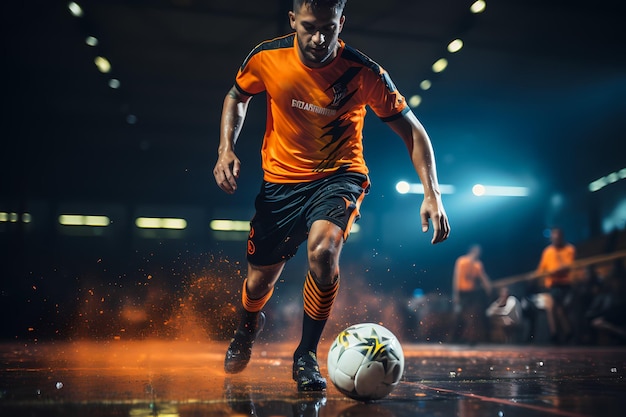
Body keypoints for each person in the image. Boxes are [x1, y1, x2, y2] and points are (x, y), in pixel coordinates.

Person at [213, 0, 450, 392]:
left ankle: (305, 353)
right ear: (292, 21)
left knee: (323, 252)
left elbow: (413, 131)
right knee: (258, 285)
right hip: (280, 184)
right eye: (309, 27)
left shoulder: (364, 72)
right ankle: (248, 325)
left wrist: (432, 193)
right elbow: (237, 96)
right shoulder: (267, 57)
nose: (319, 38)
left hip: (339, 176)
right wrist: (225, 148)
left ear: (342, 22)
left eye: (328, 27)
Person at [536, 227, 576, 344]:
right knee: (553, 307)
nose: (555, 239)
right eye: (553, 237)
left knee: (560, 310)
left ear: (561, 237)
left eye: (557, 236)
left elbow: (567, 266)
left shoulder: (569, 249)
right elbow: (541, 269)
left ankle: (567, 333)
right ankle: (557, 334)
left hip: (565, 284)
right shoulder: (547, 251)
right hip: (553, 285)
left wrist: (556, 269)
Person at [452, 244, 492, 343]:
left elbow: (483, 277)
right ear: (472, 251)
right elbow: (456, 278)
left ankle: (470, 338)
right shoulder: (461, 261)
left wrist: (488, 287)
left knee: (472, 316)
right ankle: (455, 338)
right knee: (459, 315)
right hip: (462, 292)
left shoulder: (478, 265)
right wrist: (456, 294)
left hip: (472, 293)